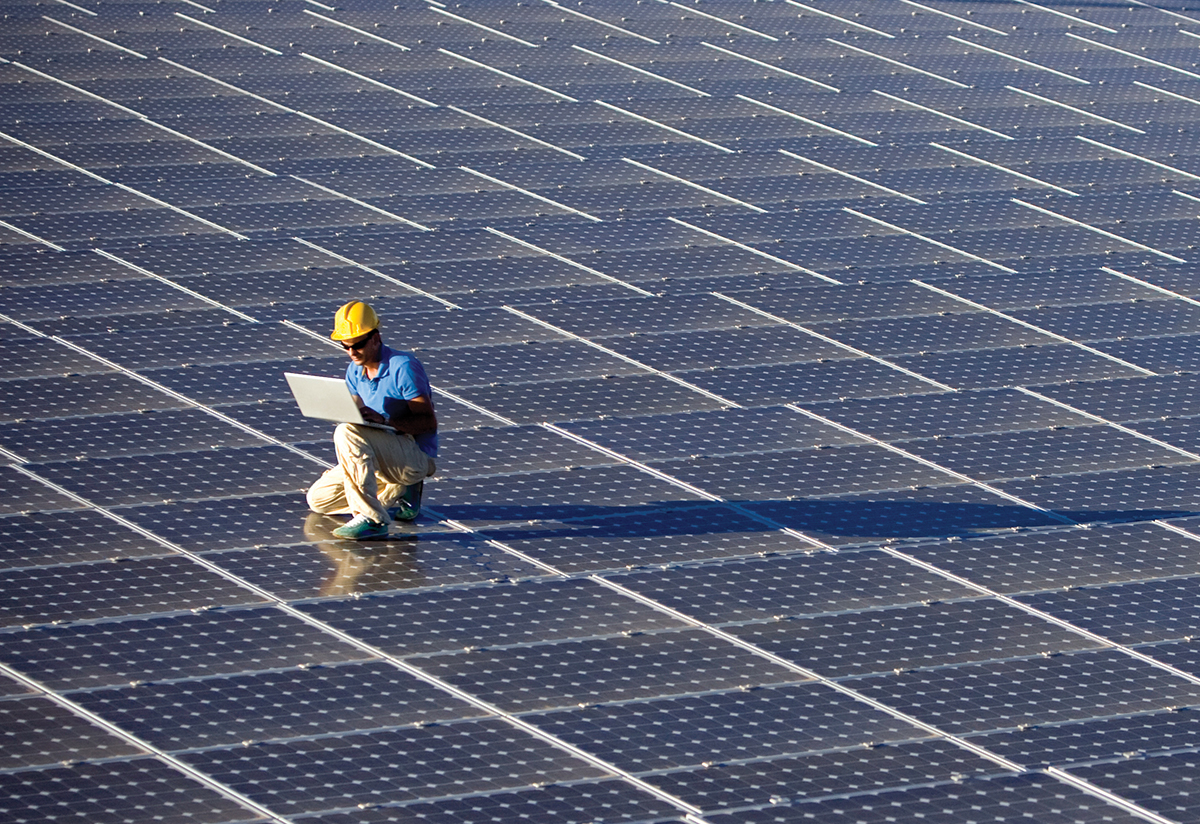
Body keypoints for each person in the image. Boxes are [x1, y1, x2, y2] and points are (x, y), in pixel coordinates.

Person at [305, 300, 438, 540]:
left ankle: (373, 519)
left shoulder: (403, 367)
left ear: (375, 337)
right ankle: (397, 491)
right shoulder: (354, 371)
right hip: (377, 457)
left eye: (358, 345)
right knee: (318, 500)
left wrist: (386, 421)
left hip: (411, 457)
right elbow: (357, 419)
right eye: (345, 346)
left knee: (345, 432)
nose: (351, 352)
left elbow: (428, 423)